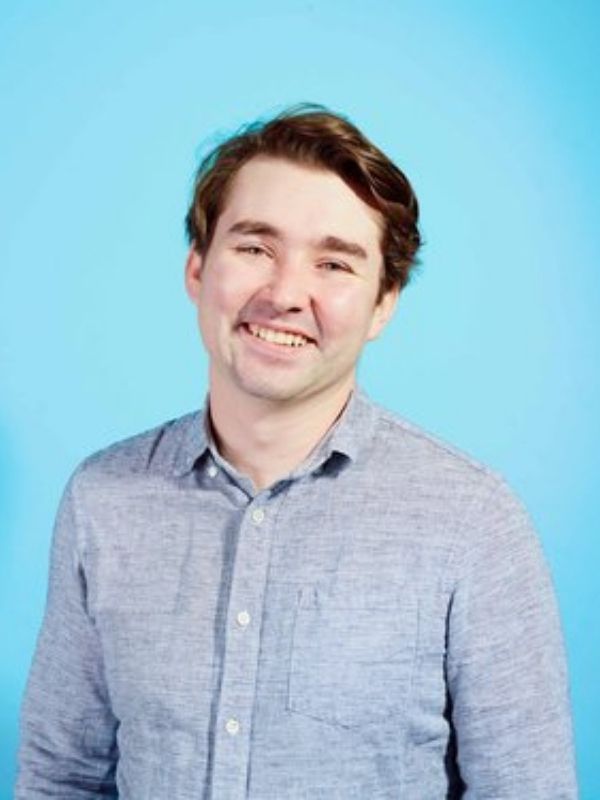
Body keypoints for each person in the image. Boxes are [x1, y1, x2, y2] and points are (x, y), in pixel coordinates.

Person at [16, 105, 578, 799]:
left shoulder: (473, 521)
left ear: (383, 305)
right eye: (254, 248)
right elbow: (61, 778)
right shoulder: (103, 497)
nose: (284, 294)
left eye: (335, 263)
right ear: (198, 268)